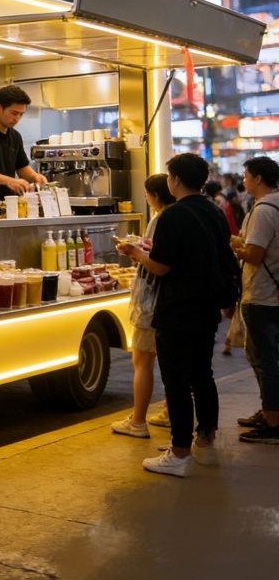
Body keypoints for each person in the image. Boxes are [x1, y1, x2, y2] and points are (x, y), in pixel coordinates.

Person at [117, 153, 234, 477]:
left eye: (169, 177)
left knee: (177, 382)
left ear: (176, 180)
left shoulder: (173, 216)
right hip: (207, 308)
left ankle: (179, 452)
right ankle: (204, 441)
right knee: (202, 376)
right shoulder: (215, 211)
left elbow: (162, 267)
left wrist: (137, 253)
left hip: (177, 309)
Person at [111, 173, 175, 439]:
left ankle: (137, 421)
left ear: (155, 196)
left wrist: (134, 252)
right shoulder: (179, 216)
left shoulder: (162, 218)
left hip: (152, 303)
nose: (146, 198)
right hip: (169, 303)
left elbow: (156, 262)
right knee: (171, 362)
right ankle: (170, 412)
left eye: (147, 193)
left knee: (142, 361)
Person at [230, 156, 279, 444]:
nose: (244, 180)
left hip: (262, 295)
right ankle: (269, 410)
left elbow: (255, 255)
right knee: (267, 357)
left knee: (264, 360)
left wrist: (237, 247)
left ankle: (272, 421)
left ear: (259, 178)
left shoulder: (263, 210)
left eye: (247, 175)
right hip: (274, 294)